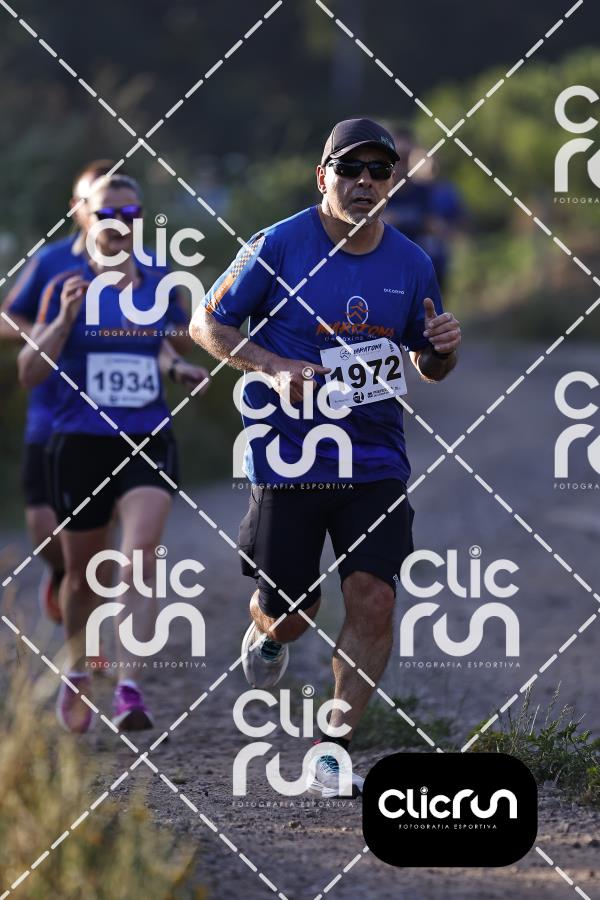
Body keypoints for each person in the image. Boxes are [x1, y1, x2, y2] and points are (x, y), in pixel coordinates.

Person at [189, 117, 461, 798]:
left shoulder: (412, 262)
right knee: (293, 612)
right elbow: (206, 323)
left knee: (374, 597)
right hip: (291, 456)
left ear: (393, 181)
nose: (365, 182)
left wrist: (442, 349)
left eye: (380, 171)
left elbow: (428, 364)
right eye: (350, 169)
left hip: (374, 460)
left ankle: (332, 746)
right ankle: (268, 630)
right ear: (323, 177)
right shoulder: (278, 244)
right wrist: (274, 365)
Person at [18, 174, 209, 733]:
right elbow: (29, 373)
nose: (120, 224)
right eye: (108, 214)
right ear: (86, 216)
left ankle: (129, 687)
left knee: (139, 558)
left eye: (130, 214)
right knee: (83, 576)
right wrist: (62, 321)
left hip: (147, 435)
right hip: (79, 440)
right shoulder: (64, 283)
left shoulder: (156, 281)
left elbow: (158, 345)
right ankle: (78, 669)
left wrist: (178, 367)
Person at [0, 160, 116, 623]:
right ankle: (65, 576)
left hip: (113, 419)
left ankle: (92, 631)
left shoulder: (141, 264)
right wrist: (47, 335)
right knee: (46, 531)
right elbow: (7, 318)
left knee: (101, 532)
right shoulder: (51, 261)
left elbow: (174, 327)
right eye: (97, 203)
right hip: (50, 415)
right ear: (77, 208)